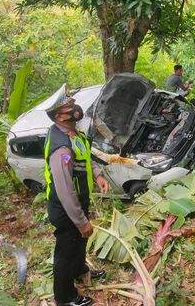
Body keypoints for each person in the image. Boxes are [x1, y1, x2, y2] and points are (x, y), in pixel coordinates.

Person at [44, 87, 109, 306]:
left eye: (73, 105)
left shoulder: (73, 134)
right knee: (66, 250)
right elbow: (64, 190)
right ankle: (65, 298)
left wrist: (98, 174)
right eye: (69, 108)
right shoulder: (61, 148)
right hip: (65, 207)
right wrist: (81, 221)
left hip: (79, 200)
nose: (75, 110)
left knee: (79, 243)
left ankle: (80, 271)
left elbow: (85, 156)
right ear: (59, 116)